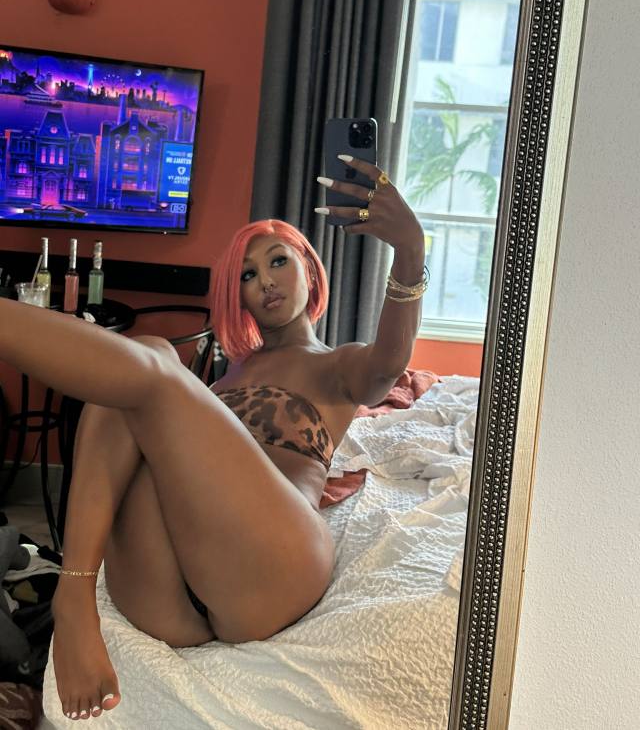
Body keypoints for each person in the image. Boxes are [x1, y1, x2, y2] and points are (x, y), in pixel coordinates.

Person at [0, 155, 426, 721]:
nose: (266, 281)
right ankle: (76, 590)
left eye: (278, 261)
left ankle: (71, 597)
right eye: (247, 275)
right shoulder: (217, 385)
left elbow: (388, 366)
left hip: (273, 567)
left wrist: (410, 250)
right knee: (135, 370)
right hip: (165, 592)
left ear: (310, 269)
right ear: (236, 296)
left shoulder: (338, 366)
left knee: (148, 358)